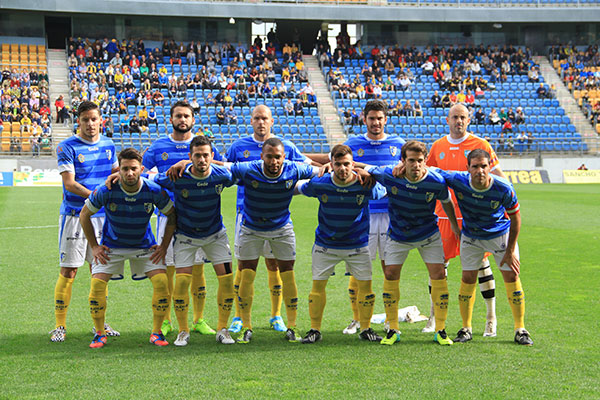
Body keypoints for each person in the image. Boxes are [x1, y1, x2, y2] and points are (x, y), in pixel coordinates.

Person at [313, 99, 405, 334]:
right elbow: (332, 159)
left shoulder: (398, 145)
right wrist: (318, 165)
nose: (376, 122)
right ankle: (357, 319)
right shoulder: (353, 143)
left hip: (390, 214)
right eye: (371, 118)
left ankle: (388, 320)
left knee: (389, 269)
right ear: (364, 119)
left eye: (380, 118)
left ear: (386, 120)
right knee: (357, 271)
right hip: (361, 215)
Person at [140, 100, 223, 337]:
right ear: (171, 119)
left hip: (197, 215)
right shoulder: (158, 146)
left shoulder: (202, 146)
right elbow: (143, 172)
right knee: (167, 269)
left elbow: (221, 166)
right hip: (169, 215)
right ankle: (165, 320)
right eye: (179, 116)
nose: (183, 120)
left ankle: (198, 319)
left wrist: (187, 162)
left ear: (193, 120)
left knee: (197, 270)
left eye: (187, 116)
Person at [367, 140, 460, 346]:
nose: (416, 165)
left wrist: (454, 227)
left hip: (428, 235)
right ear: (403, 161)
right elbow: (366, 169)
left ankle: (441, 330)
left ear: (425, 161)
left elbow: (447, 202)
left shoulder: (435, 180)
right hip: (398, 235)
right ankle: (393, 329)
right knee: (390, 274)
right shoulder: (389, 174)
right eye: (411, 160)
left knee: (439, 274)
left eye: (420, 160)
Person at [425, 103, 507, 337]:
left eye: (463, 117)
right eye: (455, 117)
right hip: (444, 214)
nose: (459, 121)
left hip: (474, 215)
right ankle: (434, 317)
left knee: (481, 266)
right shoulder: (438, 146)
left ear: (468, 120)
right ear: (447, 120)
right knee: (439, 265)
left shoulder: (481, 145)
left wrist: (509, 193)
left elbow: (498, 176)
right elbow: (428, 176)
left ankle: (491, 318)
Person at [81, 147, 175, 348]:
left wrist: (164, 246)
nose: (129, 173)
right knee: (97, 285)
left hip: (144, 246)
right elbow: (84, 215)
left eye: (133, 168)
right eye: (125, 169)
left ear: (141, 168)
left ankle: (156, 333)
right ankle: (99, 333)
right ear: (118, 170)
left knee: (161, 282)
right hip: (111, 247)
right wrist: (94, 247)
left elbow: (172, 216)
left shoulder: (153, 190)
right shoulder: (106, 190)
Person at [228, 137, 318, 344]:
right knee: (247, 274)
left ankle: (292, 326)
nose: (274, 161)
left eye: (278, 157)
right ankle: (246, 326)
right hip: (251, 228)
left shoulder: (294, 169)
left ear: (284, 157)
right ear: (262, 157)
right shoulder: (248, 169)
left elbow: (319, 171)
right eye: (269, 157)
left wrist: (331, 166)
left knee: (287, 274)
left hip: (281, 229)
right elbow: (224, 167)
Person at [441, 149, 533, 346]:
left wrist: (509, 251)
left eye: (484, 166)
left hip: (499, 236)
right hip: (471, 237)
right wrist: (454, 225)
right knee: (467, 278)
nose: (480, 170)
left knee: (512, 276)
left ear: (490, 167)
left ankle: (520, 329)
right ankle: (466, 328)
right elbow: (432, 171)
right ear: (467, 168)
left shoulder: (503, 187)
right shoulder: (458, 180)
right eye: (475, 166)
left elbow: (516, 218)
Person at [297, 144, 386, 344]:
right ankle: (314, 330)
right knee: (317, 286)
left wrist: (369, 172)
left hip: (357, 244)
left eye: (347, 164)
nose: (343, 168)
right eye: (338, 164)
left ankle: (366, 328)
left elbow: (386, 188)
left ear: (352, 164)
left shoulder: (365, 184)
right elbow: (299, 188)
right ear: (332, 164)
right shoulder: (320, 182)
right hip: (326, 244)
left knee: (366, 286)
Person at [152, 136, 236, 346]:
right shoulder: (176, 176)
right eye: (197, 155)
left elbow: (242, 171)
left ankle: (223, 329)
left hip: (215, 235)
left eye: (205, 155)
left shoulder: (222, 175)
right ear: (189, 157)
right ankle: (183, 330)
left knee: (226, 280)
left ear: (212, 156)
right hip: (186, 237)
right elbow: (147, 180)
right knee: (181, 281)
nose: (202, 159)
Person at [50, 101, 119, 343]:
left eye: (94, 119)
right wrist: (96, 196)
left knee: (99, 272)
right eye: (85, 120)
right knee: (69, 270)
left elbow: (115, 175)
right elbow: (69, 183)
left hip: (103, 219)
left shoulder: (109, 145)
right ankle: (60, 326)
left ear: (101, 120)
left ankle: (100, 325)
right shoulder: (66, 147)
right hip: (75, 216)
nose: (90, 124)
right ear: (78, 121)